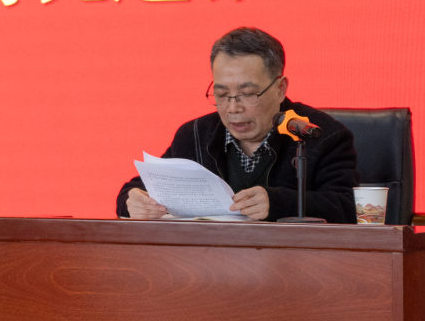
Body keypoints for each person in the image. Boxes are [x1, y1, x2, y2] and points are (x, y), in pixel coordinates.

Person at [116, 27, 359, 223]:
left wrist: (278, 203)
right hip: (209, 262)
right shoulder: (195, 135)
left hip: (293, 263)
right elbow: (141, 187)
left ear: (280, 88)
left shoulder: (321, 135)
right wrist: (133, 201)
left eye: (248, 94)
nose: (233, 108)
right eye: (222, 94)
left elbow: (350, 208)